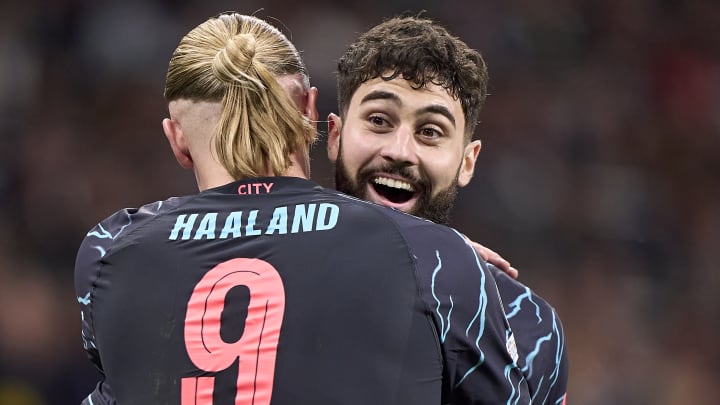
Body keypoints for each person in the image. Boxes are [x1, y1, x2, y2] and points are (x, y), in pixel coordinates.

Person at [74, 12, 530, 404]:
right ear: (310, 111)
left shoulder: (109, 249)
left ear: (177, 139)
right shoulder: (431, 258)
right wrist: (446, 257)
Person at [325, 15, 569, 405]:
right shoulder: (266, 267)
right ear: (335, 136)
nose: (400, 151)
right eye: (378, 121)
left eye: (430, 132)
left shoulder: (526, 325)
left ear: (467, 162)